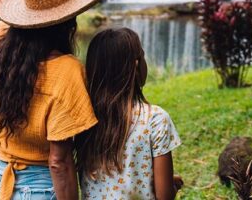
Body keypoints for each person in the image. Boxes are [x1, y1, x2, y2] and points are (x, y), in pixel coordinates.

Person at [0, 0, 128, 200]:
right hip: (41, 190)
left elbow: (15, 18)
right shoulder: (66, 71)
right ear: (68, 21)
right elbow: (59, 162)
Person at [76, 28, 183, 200]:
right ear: (136, 65)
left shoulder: (83, 118)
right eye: (143, 55)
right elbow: (164, 196)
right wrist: (171, 186)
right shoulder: (155, 119)